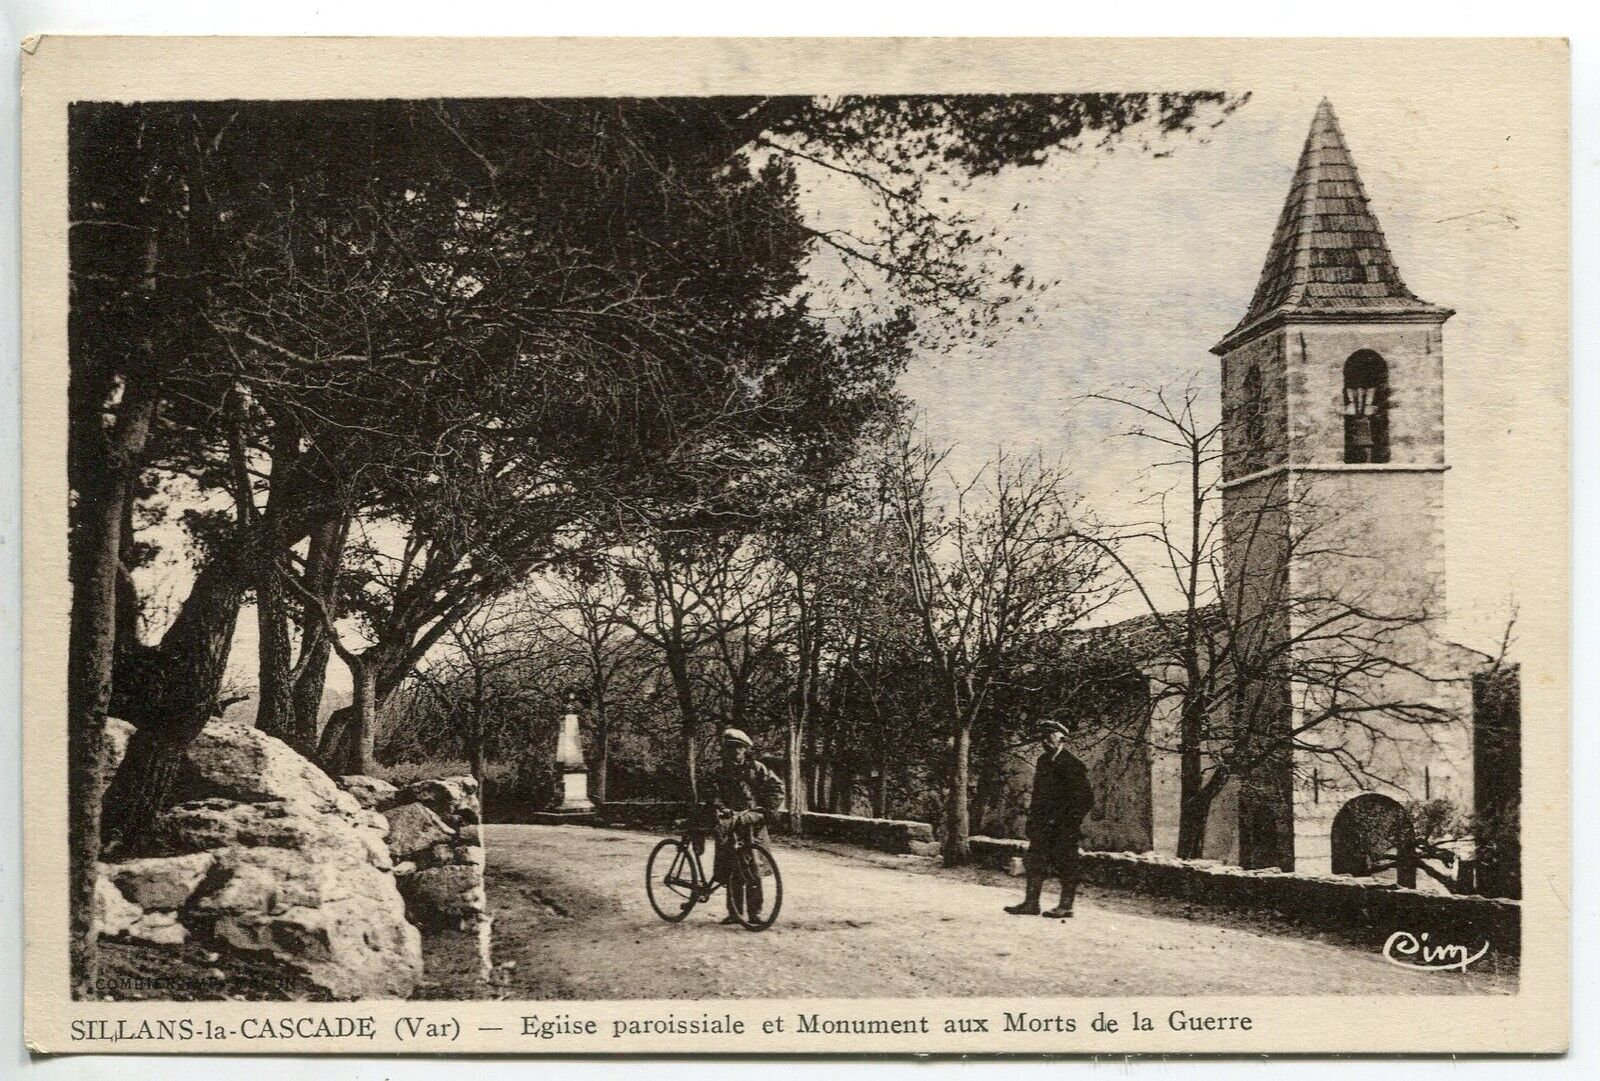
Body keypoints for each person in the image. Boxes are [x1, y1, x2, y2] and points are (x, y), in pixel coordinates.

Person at [1005, 718, 1094, 919]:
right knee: (1034, 861)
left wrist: (1068, 822)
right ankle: (1031, 903)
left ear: (1061, 738)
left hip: (1064, 827)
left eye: (1049, 737)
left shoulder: (1073, 765)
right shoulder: (1043, 761)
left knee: (1066, 864)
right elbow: (1039, 795)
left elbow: (1085, 799)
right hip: (1042, 826)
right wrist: (1033, 820)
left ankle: (1065, 906)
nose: (1045, 742)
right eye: (1042, 738)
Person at [706, 728, 786, 925]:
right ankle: (734, 912)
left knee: (753, 869)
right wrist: (720, 808)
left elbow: (777, 789)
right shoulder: (720, 771)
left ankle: (755, 912)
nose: (734, 752)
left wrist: (765, 810)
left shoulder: (757, 769)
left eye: (738, 748)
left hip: (752, 824)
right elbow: (711, 793)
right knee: (732, 868)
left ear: (745, 750)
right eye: (730, 748)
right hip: (729, 822)